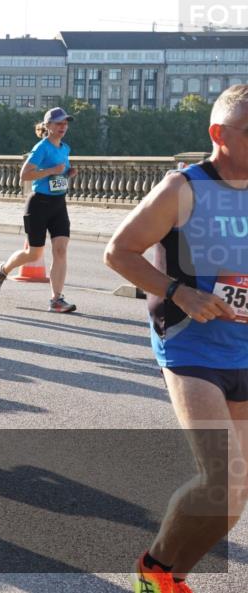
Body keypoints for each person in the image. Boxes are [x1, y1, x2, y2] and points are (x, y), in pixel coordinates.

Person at [104, 84, 248, 593]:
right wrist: (180, 293)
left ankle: (167, 574)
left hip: (245, 350)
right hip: (192, 347)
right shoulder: (182, 188)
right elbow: (119, 253)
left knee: (236, 493)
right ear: (220, 134)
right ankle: (155, 570)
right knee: (223, 484)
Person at [0, 107, 78, 313]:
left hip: (58, 204)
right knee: (33, 254)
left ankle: (56, 299)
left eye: (65, 124)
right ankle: (3, 270)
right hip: (39, 204)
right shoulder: (41, 148)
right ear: (48, 126)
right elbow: (25, 175)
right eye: (58, 124)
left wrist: (67, 173)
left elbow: (59, 175)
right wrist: (50, 171)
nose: (63, 127)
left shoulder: (65, 148)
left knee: (61, 250)